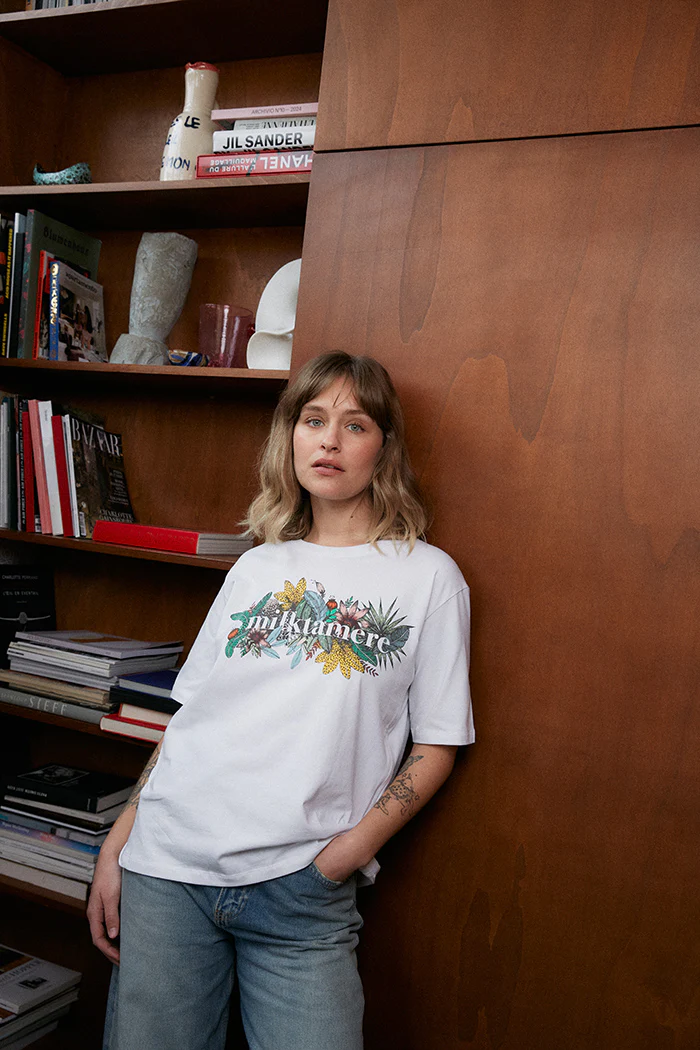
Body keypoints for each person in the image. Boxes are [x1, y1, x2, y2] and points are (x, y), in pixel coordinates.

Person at [88, 351, 475, 1050]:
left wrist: (340, 860)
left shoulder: (428, 578)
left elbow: (437, 747)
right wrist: (119, 842)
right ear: (290, 436)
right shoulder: (256, 567)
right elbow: (189, 721)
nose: (329, 441)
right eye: (313, 420)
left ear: (384, 447)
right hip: (167, 869)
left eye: (354, 425)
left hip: (302, 893)